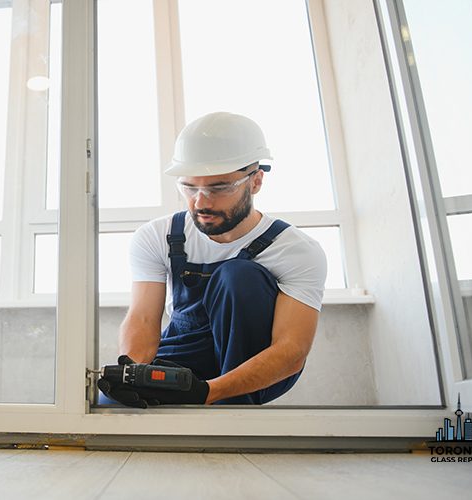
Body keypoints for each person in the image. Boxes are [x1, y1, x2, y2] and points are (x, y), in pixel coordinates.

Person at [97, 112, 327, 407]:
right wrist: (133, 373)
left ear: (255, 181)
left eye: (219, 188)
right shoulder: (157, 236)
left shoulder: (295, 250)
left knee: (238, 276)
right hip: (185, 356)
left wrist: (209, 393)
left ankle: (234, 406)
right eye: (190, 187)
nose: (201, 202)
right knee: (110, 405)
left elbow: (292, 350)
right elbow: (142, 318)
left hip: (255, 363)